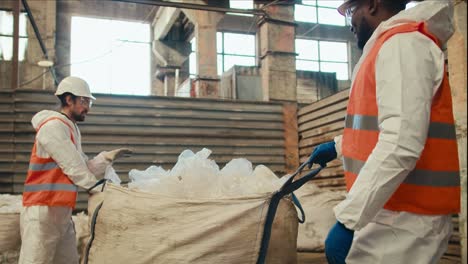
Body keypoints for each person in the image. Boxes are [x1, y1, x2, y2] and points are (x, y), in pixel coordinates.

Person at [306, 1, 460, 263]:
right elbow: (385, 128)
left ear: (373, 4)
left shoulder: (403, 46)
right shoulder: (389, 46)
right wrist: (338, 146)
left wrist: (348, 219)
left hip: (405, 219)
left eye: (352, 11)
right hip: (390, 210)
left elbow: (401, 142)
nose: (351, 23)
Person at [19, 76, 132, 264]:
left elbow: (81, 167)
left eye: (89, 102)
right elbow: (73, 168)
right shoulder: (53, 127)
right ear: (68, 100)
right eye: (84, 101)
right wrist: (102, 188)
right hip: (43, 211)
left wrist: (106, 158)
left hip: (61, 211)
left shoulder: (70, 128)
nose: (87, 107)